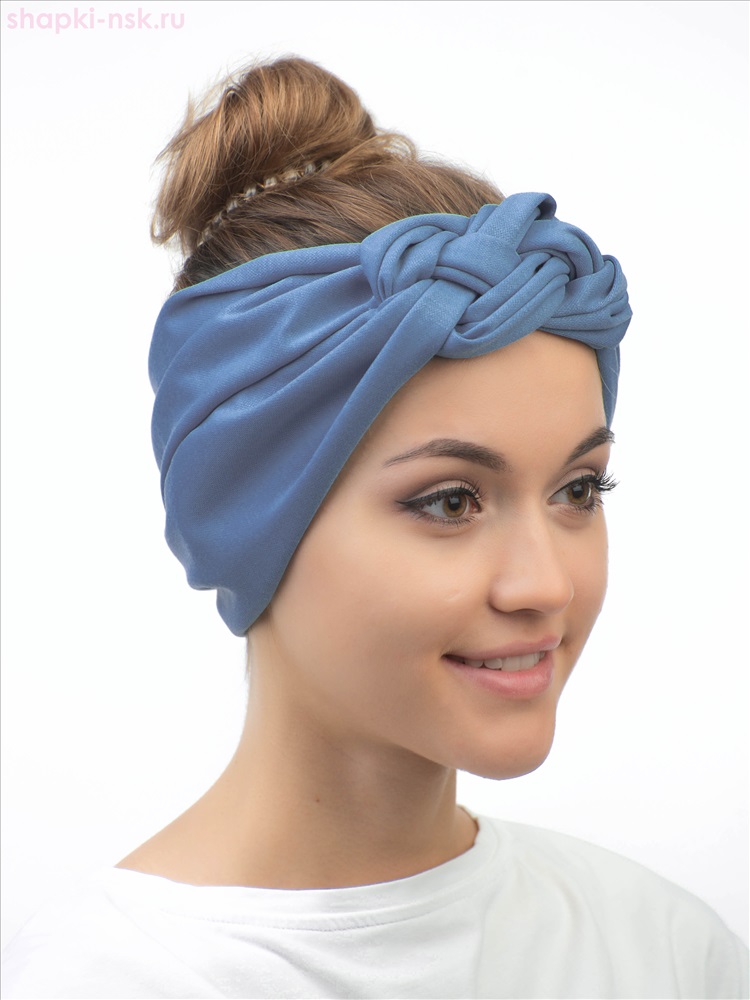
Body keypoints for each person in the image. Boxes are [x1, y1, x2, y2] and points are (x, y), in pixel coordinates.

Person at [2, 56, 747, 1000]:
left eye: (578, 491)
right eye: (451, 502)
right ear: (243, 521)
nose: (546, 585)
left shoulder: (666, 950)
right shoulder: (106, 980)